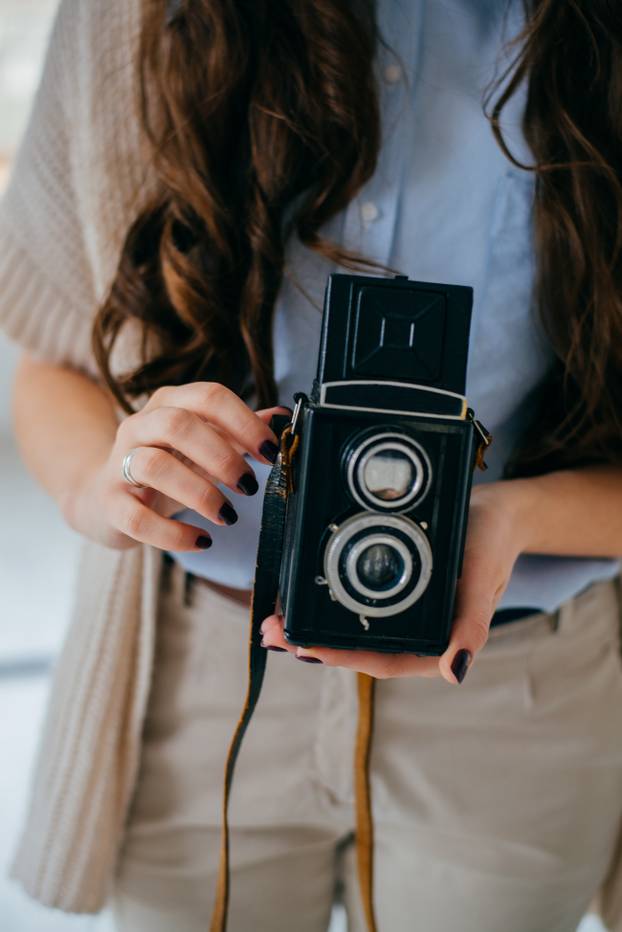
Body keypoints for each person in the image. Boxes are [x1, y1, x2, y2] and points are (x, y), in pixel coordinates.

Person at [2, 0, 622, 929]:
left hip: (517, 685)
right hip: (199, 666)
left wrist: (514, 517)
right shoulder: (133, 16)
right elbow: (52, 359)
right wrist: (107, 486)